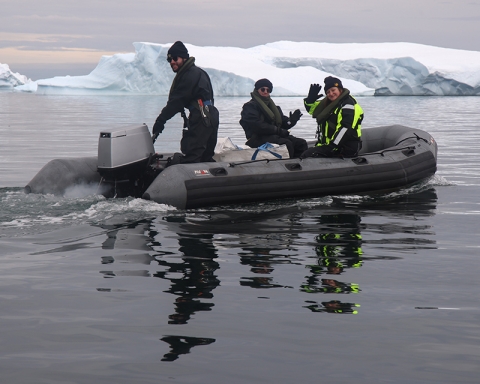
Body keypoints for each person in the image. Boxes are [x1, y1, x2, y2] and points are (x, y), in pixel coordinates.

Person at [152, 41, 219, 164]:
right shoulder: (199, 72)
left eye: (175, 58)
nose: (172, 62)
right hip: (210, 115)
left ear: (184, 57)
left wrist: (161, 120)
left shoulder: (190, 75)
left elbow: (177, 101)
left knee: (192, 156)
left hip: (202, 117)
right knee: (205, 155)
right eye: (169, 59)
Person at [239, 78, 308, 158]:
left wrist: (291, 121)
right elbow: (256, 125)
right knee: (286, 144)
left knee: (301, 143)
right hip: (257, 138)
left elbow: (282, 122)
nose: (265, 92)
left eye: (268, 90)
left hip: (274, 136)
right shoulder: (250, 107)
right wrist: (277, 130)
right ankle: (289, 166)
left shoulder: (274, 108)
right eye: (263, 89)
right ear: (257, 90)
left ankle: (300, 166)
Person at [300, 76, 364, 159]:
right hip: (331, 145)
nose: (331, 94)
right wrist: (310, 100)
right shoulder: (330, 104)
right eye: (328, 92)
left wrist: (331, 147)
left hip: (344, 147)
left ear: (340, 89)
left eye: (333, 90)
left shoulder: (349, 105)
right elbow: (314, 110)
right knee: (303, 151)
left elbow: (345, 129)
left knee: (307, 155)